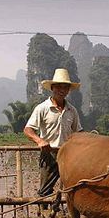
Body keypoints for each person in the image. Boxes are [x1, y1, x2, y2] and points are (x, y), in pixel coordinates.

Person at [24, 68, 82, 197]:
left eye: (65, 87)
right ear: (52, 88)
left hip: (68, 154)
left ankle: (69, 211)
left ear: (68, 90)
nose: (62, 90)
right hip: (49, 153)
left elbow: (78, 131)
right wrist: (39, 140)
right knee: (45, 189)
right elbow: (28, 129)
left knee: (73, 186)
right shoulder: (42, 108)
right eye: (59, 87)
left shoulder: (72, 110)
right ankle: (44, 210)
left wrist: (91, 140)